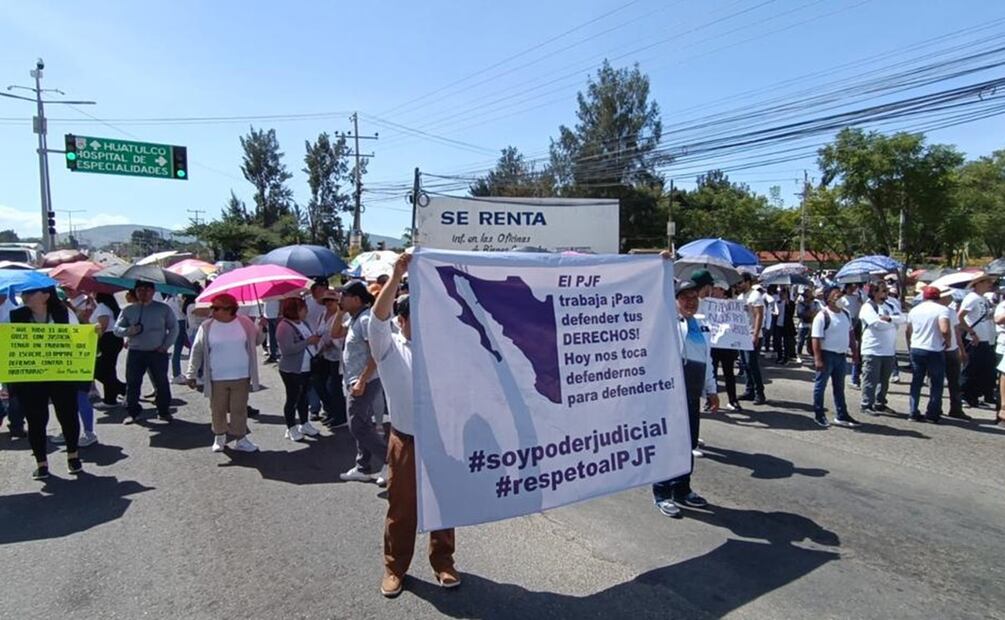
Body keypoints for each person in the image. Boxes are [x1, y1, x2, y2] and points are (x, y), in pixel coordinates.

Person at [371, 253, 460, 598]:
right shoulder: (389, 347)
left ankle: (443, 562)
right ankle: (395, 568)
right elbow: (377, 319)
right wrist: (396, 276)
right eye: (415, 316)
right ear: (402, 320)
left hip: (442, 441)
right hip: (405, 441)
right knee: (402, 509)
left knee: (445, 505)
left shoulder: (443, 349)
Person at [652, 270, 719, 518]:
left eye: (694, 296)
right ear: (675, 300)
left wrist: (711, 390)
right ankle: (662, 493)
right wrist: (662, 265)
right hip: (669, 395)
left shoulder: (701, 324)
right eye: (685, 297)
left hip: (691, 394)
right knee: (668, 444)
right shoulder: (667, 322)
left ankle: (682, 488)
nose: (691, 301)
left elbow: (707, 359)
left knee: (687, 444)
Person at [9, 286, 83, 479]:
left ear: (46, 296)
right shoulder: (16, 315)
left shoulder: (63, 313)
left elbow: (78, 339)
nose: (25, 297)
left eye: (30, 293)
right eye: (24, 293)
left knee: (68, 415)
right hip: (31, 377)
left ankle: (73, 456)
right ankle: (41, 463)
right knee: (36, 420)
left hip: (61, 374)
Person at [186, 293, 264, 452]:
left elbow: (257, 341)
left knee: (239, 409)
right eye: (212, 307)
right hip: (217, 377)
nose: (212, 310)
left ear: (229, 309)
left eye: (216, 308)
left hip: (241, 375)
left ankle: (240, 439)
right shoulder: (207, 326)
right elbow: (197, 350)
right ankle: (219, 437)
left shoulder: (245, 323)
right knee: (217, 409)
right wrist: (191, 373)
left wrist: (261, 327)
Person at [334, 280, 387, 483]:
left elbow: (376, 352)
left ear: (356, 299)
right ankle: (362, 466)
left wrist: (362, 380)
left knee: (357, 425)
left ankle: (390, 460)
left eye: (344, 296)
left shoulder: (365, 320)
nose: (340, 299)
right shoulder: (355, 318)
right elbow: (335, 333)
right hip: (354, 379)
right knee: (363, 423)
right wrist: (339, 312)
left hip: (364, 380)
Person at [114, 281, 178, 424]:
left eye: (147, 290)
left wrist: (165, 346)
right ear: (135, 292)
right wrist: (128, 331)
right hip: (136, 351)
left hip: (157, 352)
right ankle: (133, 412)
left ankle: (163, 411)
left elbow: (173, 328)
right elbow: (116, 329)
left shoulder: (163, 309)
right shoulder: (128, 310)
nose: (143, 293)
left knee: (161, 383)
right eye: (140, 290)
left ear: (153, 291)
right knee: (133, 383)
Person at [810, 285, 860, 428]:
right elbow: (816, 339)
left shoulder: (845, 313)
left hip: (841, 356)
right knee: (820, 386)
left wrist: (855, 352)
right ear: (829, 299)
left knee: (839, 387)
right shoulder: (822, 316)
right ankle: (819, 415)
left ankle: (842, 414)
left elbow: (850, 334)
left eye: (841, 295)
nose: (841, 298)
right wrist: (818, 359)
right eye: (837, 296)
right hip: (826, 355)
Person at [276, 297, 323, 441]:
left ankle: (304, 423)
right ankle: (291, 427)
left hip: (307, 367)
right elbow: (287, 349)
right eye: (303, 308)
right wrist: (308, 341)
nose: (306, 311)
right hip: (292, 369)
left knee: (304, 397)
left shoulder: (304, 322)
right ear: (295, 310)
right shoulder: (284, 326)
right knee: (293, 398)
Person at [905, 286, 952, 423]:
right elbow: (944, 329)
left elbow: (908, 331)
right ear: (938, 297)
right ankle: (932, 413)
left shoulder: (915, 310)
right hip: (934, 349)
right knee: (936, 382)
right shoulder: (942, 310)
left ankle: (913, 411)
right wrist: (947, 341)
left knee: (916, 381)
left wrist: (910, 345)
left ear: (924, 297)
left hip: (917, 347)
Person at [858, 280, 905, 415]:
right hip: (873, 349)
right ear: (874, 292)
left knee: (884, 380)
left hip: (888, 349)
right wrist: (893, 322)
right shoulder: (868, 307)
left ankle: (880, 403)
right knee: (870, 378)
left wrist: (889, 319)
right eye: (883, 290)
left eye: (887, 290)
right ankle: (866, 404)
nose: (886, 293)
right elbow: (877, 325)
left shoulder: (890, 305)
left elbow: (903, 319)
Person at [958, 275, 997, 409]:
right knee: (970, 368)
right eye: (987, 282)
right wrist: (972, 332)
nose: (990, 284)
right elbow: (960, 317)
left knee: (983, 368)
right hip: (974, 339)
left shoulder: (983, 299)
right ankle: (963, 395)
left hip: (986, 338)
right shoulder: (971, 298)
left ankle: (973, 396)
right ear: (979, 283)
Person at [318, 289, 348, 429]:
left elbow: (343, 337)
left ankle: (340, 416)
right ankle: (331, 411)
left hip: (337, 356)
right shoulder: (323, 314)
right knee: (321, 384)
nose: (328, 303)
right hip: (324, 354)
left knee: (335, 386)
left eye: (331, 301)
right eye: (326, 301)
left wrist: (332, 343)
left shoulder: (343, 316)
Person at [709, 284, 741, 411]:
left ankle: (732, 400)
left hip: (727, 345)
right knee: (712, 375)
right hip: (713, 345)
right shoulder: (708, 304)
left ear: (722, 290)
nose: (713, 291)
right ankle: (709, 400)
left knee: (729, 374)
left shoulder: (732, 305)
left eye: (715, 289)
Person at [92, 292, 126, 410]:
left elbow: (103, 326)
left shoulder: (102, 307)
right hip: (112, 339)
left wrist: (94, 339)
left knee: (101, 370)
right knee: (109, 370)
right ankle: (111, 398)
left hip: (108, 339)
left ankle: (122, 389)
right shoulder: (105, 306)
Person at [939, 288, 970, 421]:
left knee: (953, 381)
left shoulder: (951, 312)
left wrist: (961, 349)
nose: (951, 298)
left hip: (951, 349)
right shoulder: (940, 311)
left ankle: (955, 409)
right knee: (938, 381)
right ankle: (937, 407)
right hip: (940, 349)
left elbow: (957, 332)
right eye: (948, 296)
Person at [736, 274, 766, 405]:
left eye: (740, 282)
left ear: (747, 282)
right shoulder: (740, 297)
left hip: (752, 335)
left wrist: (755, 334)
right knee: (745, 364)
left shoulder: (755, 296)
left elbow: (759, 315)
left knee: (752, 365)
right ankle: (749, 391)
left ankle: (760, 392)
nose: (738, 285)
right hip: (742, 335)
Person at [841, 283, 865, 389]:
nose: (852, 289)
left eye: (853, 287)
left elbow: (861, 307)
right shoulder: (842, 299)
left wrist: (861, 300)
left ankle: (855, 378)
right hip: (846, 322)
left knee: (857, 346)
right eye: (850, 287)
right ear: (845, 288)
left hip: (857, 322)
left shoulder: (857, 297)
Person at [796, 288, 817, 358]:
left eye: (809, 295)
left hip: (813, 325)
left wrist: (813, 313)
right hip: (803, 324)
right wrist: (809, 311)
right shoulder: (801, 304)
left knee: (812, 341)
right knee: (801, 340)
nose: (807, 297)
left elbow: (818, 312)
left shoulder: (815, 303)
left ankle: (813, 355)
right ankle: (799, 354)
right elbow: (800, 313)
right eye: (806, 296)